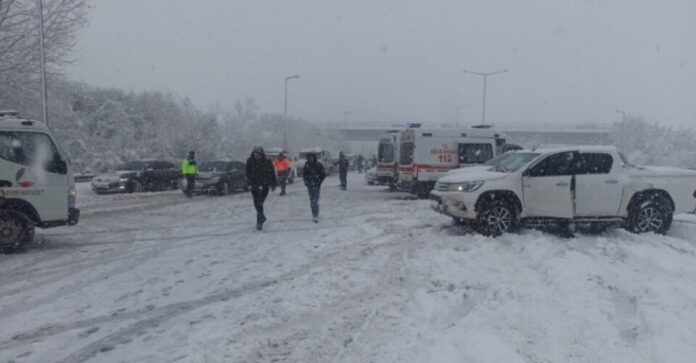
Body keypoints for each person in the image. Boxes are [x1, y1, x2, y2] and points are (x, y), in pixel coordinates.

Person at [246, 146, 277, 231]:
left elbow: (272, 173)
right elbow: (247, 173)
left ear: (262, 155)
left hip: (265, 185)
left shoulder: (267, 162)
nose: (257, 156)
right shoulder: (250, 161)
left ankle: (259, 222)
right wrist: (249, 183)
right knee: (257, 203)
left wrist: (273, 184)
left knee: (260, 203)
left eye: (258, 155)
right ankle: (261, 218)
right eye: (255, 154)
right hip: (254, 185)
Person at [302, 152, 326, 223]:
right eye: (309, 158)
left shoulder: (318, 165)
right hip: (310, 185)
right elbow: (304, 175)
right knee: (312, 200)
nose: (310, 159)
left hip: (316, 185)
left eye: (311, 157)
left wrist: (319, 182)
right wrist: (306, 182)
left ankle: (316, 214)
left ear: (314, 158)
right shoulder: (306, 165)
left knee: (315, 200)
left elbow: (323, 174)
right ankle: (314, 215)